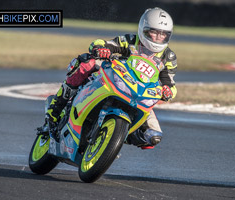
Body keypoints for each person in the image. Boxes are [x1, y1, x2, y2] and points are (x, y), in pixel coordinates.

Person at [46, 7, 177, 149]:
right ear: (143, 29)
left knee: (153, 137)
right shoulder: (130, 40)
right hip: (116, 78)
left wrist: (168, 91)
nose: (158, 37)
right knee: (86, 62)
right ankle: (56, 108)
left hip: (140, 95)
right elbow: (103, 43)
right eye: (154, 32)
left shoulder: (168, 57)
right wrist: (101, 48)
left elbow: (170, 83)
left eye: (163, 34)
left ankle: (115, 138)